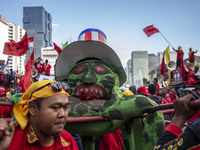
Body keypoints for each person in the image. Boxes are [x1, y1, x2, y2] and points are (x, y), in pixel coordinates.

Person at [0, 80, 79, 150]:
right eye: (55, 107)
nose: (63, 114)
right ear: (33, 108)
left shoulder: (68, 140)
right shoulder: (11, 140)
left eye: (65, 108)